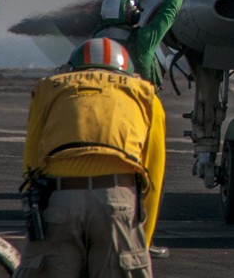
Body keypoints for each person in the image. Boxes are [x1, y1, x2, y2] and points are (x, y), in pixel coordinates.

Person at [17, 37, 166, 278]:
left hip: (60, 198)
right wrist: (143, 236)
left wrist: (36, 210)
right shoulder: (144, 94)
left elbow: (32, 163)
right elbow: (153, 174)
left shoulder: (49, 87)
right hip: (118, 201)